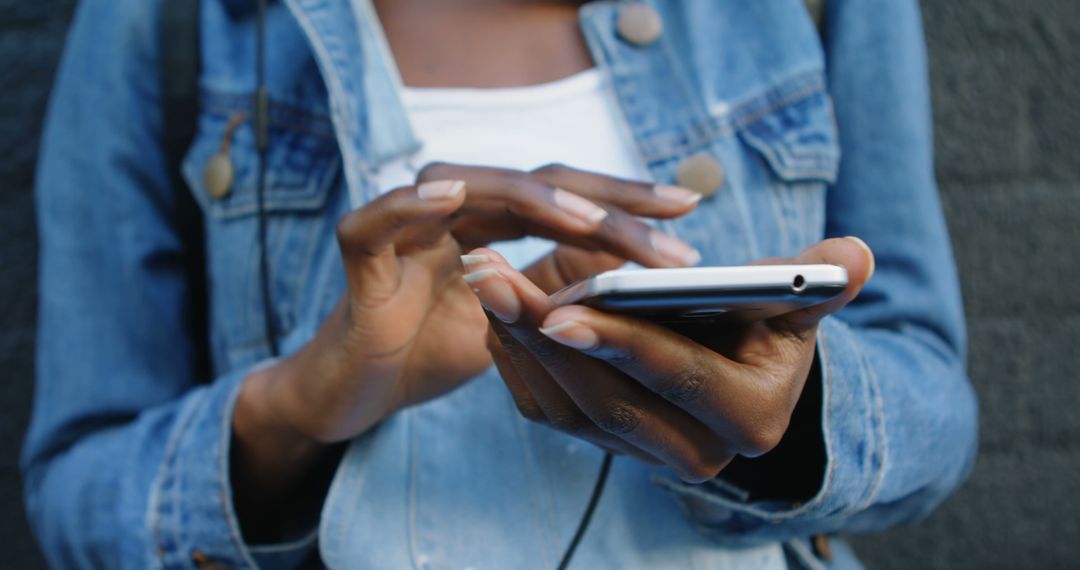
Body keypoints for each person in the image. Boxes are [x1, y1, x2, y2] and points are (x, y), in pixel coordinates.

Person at [22, 0, 978, 568]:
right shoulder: (172, 20)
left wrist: (789, 418)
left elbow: (937, 407)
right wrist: (304, 401)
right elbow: (76, 494)